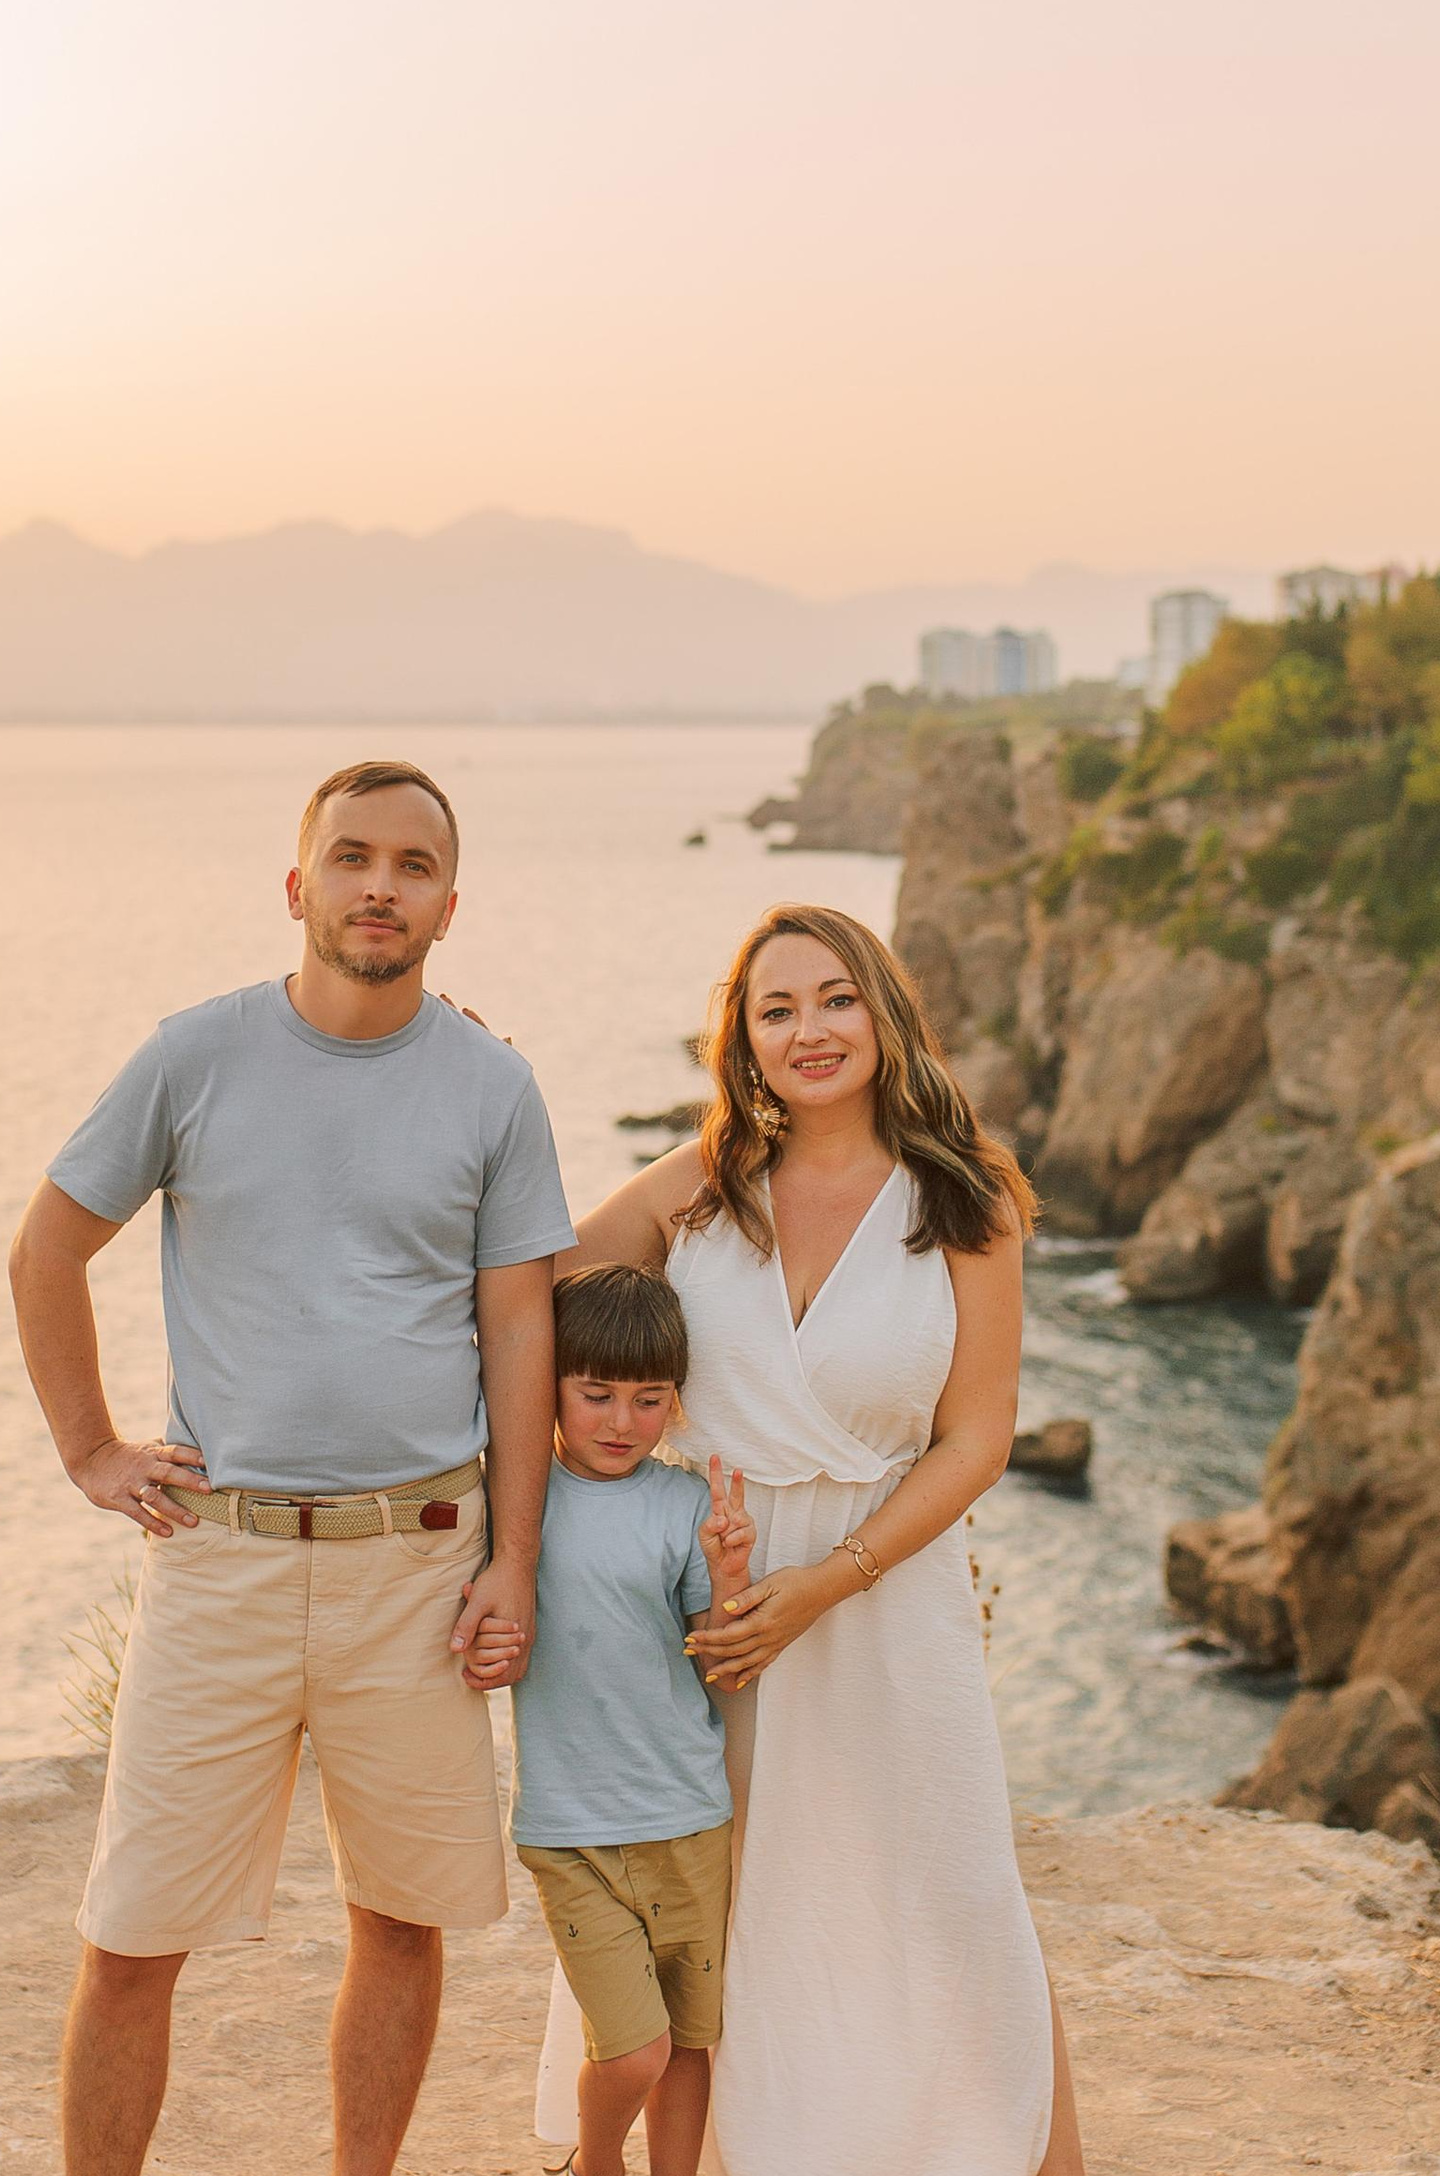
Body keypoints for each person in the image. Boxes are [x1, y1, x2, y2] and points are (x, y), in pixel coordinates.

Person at [7, 759, 574, 2176]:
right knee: (132, 1931)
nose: (381, 885)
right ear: (298, 884)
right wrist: (90, 1448)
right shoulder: (191, 1058)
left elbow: (522, 1324)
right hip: (223, 1563)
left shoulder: (494, 1085)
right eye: (353, 857)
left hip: (421, 1569)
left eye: (413, 866)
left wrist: (514, 1559)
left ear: (450, 905)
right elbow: (48, 1249)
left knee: (400, 1919)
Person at [492, 900, 1090, 2174]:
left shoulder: (963, 1195)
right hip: (709, 1594)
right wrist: (466, 1099)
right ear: (743, 1039)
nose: (810, 1029)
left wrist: (828, 1580)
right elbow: (529, 1280)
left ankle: (1020, 2154)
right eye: (777, 1008)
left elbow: (977, 1439)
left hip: (879, 1587)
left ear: (881, 1010)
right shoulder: (705, 1183)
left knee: (943, 1880)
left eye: (834, 997)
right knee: (719, 1890)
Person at [498, 1263, 756, 2176]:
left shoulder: (687, 1504)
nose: (620, 1422)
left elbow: (718, 1658)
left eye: (649, 1400)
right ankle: (596, 2163)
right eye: (595, 1393)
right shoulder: (517, 1498)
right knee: (635, 2048)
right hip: (573, 1832)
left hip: (690, 1818)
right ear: (553, 1386)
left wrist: (729, 1583)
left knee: (690, 2043)